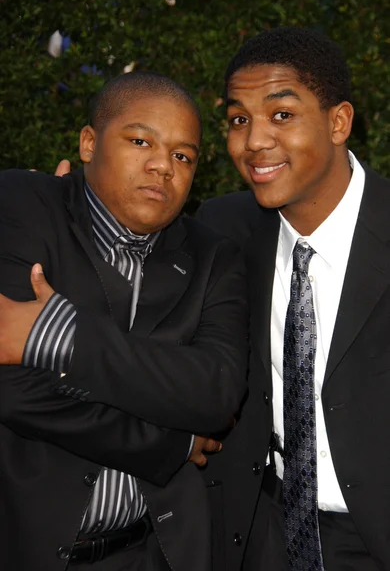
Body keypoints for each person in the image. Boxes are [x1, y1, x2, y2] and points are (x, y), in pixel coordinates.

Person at [0, 71, 248, 570]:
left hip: (154, 552)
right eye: (140, 141)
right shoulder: (24, 204)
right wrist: (170, 442)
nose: (162, 166)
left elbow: (216, 394)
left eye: (183, 156)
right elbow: (13, 389)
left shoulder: (213, 257)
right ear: (89, 143)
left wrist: (61, 337)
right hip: (24, 542)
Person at [196, 26, 390, 571]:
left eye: (281, 114)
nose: (254, 140)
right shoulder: (223, 226)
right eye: (239, 119)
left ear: (338, 122)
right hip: (259, 531)